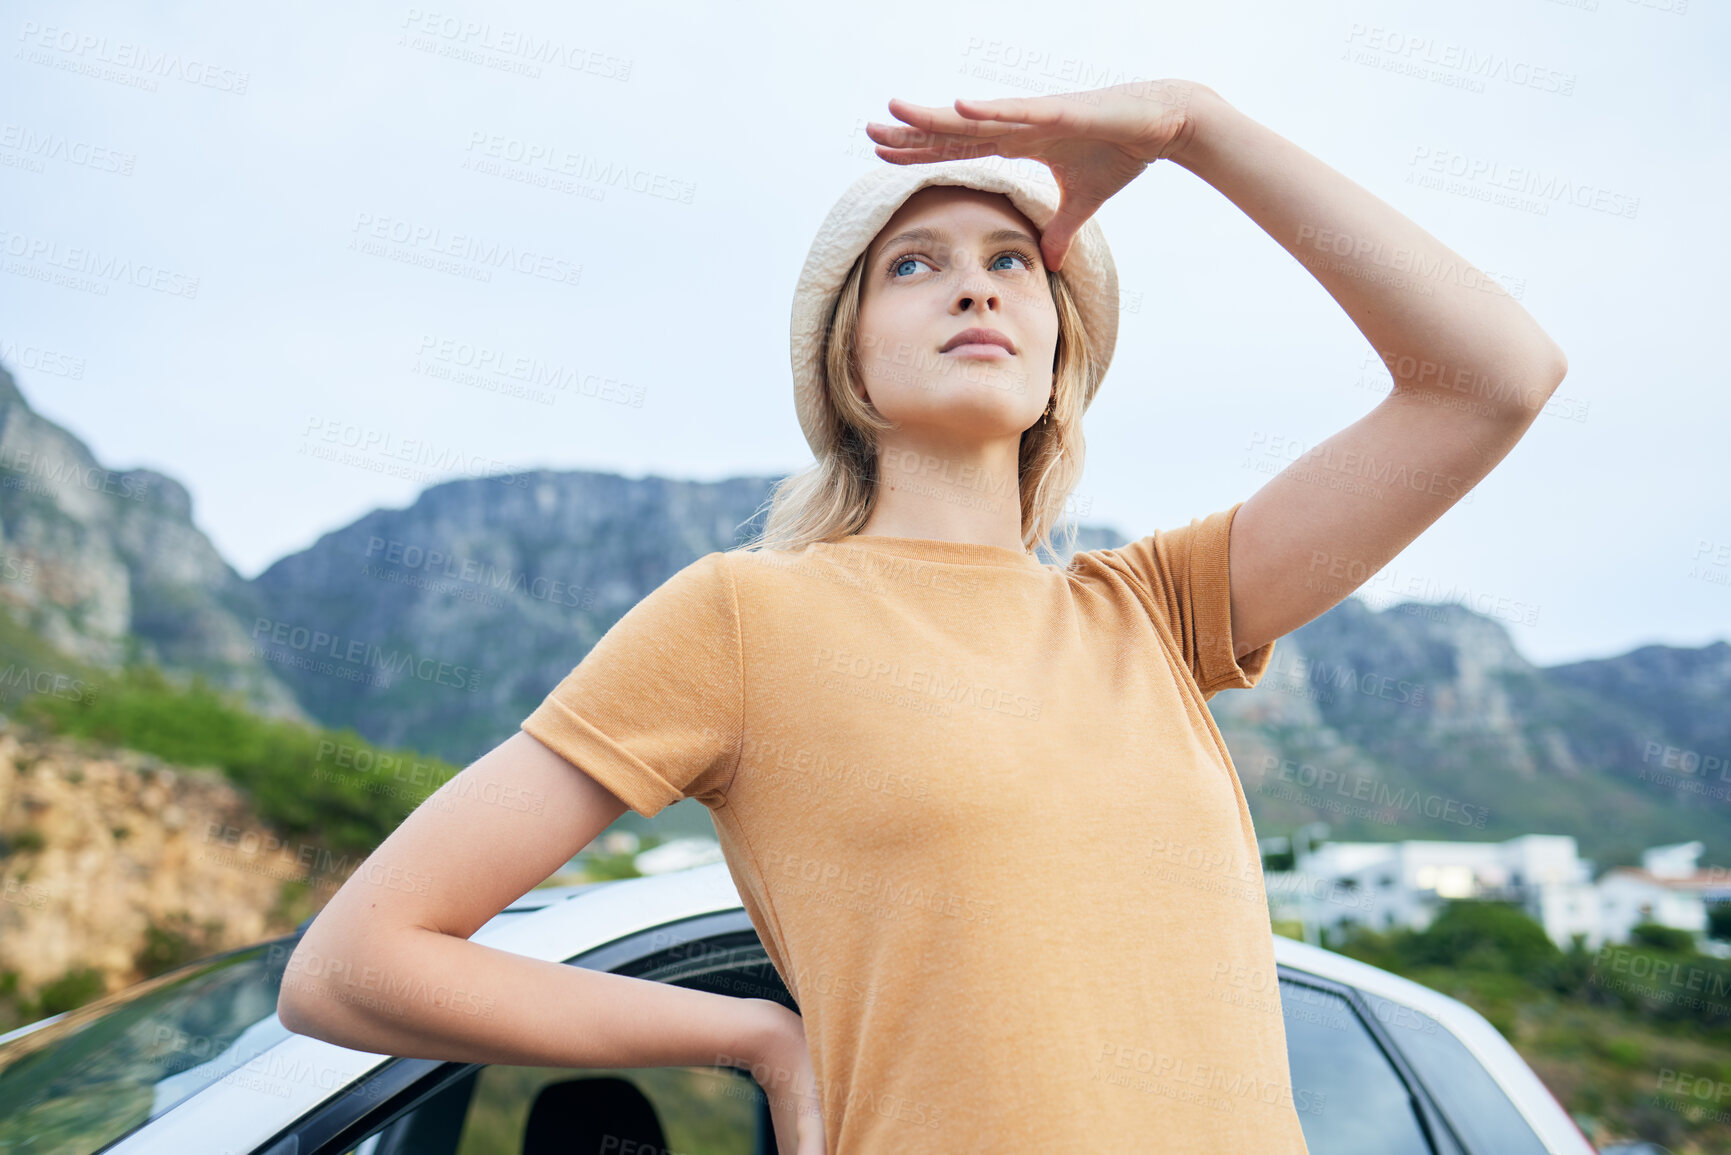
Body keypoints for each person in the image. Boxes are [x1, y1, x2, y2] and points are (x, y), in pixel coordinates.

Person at [278, 79, 1568, 1154]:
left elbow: (1493, 379)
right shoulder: (740, 618)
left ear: (1062, 349)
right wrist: (753, 1036)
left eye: (1015, 261)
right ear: (846, 356)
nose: (976, 289)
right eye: (917, 265)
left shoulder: (1158, 611)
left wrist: (1193, 127)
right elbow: (353, 966)